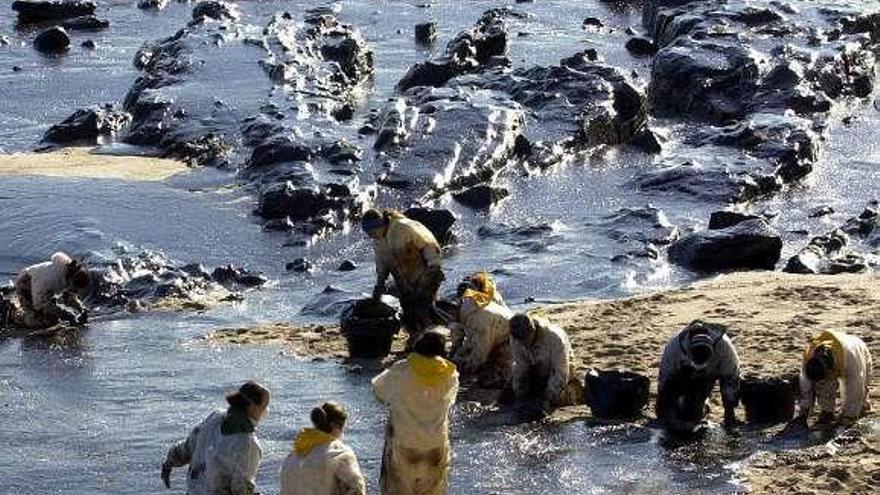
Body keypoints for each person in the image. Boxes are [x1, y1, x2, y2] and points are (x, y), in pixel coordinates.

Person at [372, 330, 459, 495]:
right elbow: (451, 401)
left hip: (406, 443)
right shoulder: (451, 374)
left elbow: (378, 390)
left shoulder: (401, 369)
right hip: (436, 443)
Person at [161, 381, 270, 495]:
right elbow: (240, 489)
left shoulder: (215, 417)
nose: (265, 411)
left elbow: (188, 446)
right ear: (252, 406)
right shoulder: (249, 445)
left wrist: (169, 462)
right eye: (264, 406)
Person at [362, 209, 444, 347]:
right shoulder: (378, 241)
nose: (371, 236)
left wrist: (433, 266)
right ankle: (416, 338)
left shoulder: (404, 227)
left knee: (422, 308)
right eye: (368, 234)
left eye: (372, 232)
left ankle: (432, 342)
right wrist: (380, 284)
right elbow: (382, 263)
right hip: (404, 281)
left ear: (381, 224)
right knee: (408, 310)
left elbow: (428, 244)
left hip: (425, 274)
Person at [655, 321, 741, 433]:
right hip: (683, 374)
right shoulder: (674, 348)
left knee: (696, 408)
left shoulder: (724, 348)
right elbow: (664, 378)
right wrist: (663, 410)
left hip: (711, 375)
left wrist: (729, 413)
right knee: (673, 410)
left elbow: (731, 379)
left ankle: (701, 408)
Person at [789, 329, 873, 428]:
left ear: (830, 370)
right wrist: (805, 410)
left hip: (859, 350)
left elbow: (855, 389)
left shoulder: (851, 359)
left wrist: (849, 417)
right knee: (824, 386)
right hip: (832, 364)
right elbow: (805, 386)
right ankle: (827, 412)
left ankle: (857, 411)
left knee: (859, 396)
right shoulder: (809, 357)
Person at [280, 401, 365, 495]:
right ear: (335, 426)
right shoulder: (340, 453)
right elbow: (356, 490)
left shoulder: (293, 456)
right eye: (343, 429)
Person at [449, 272, 513, 388]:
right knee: (465, 354)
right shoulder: (474, 301)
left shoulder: (479, 320)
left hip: (510, 341)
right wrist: (455, 348)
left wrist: (465, 370)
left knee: (488, 377)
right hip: (497, 330)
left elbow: (481, 353)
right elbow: (458, 328)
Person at [509, 313, 580, 411]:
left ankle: (573, 392)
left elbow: (561, 372)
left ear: (532, 331)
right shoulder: (516, 339)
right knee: (511, 397)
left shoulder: (554, 338)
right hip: (535, 369)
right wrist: (519, 392)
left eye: (525, 339)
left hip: (558, 368)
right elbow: (520, 367)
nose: (523, 344)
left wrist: (546, 396)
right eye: (519, 340)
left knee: (556, 400)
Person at [13, 252, 90, 328]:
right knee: (40, 322)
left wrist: (81, 309)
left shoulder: (68, 275)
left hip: (44, 292)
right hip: (25, 285)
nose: (75, 289)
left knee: (54, 317)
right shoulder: (50, 278)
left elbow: (69, 297)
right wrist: (65, 314)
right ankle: (16, 313)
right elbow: (39, 304)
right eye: (75, 286)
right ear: (72, 279)